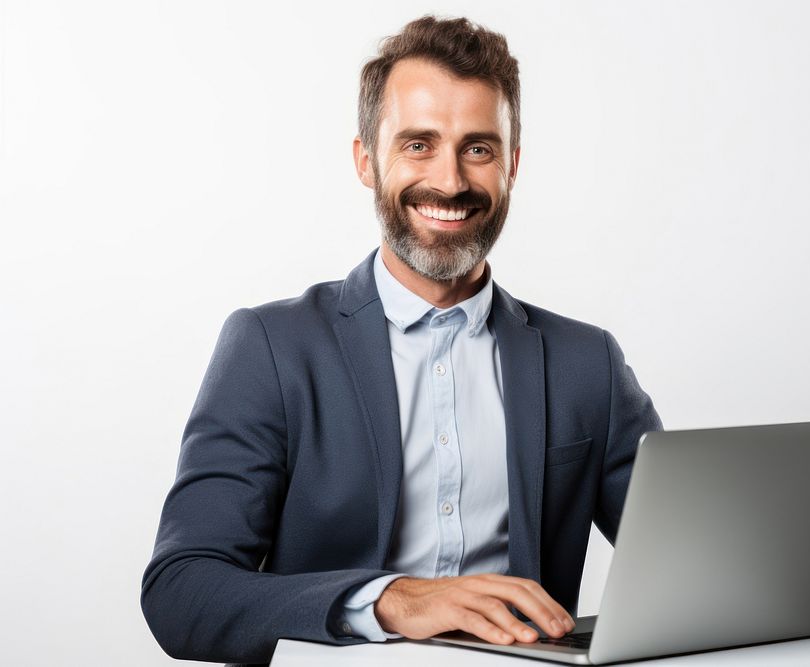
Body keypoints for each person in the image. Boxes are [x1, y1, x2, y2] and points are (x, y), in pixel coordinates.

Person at [141, 15, 661, 665]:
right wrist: (386, 599)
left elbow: (685, 565)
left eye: (478, 148)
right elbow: (182, 593)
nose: (449, 181)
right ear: (366, 159)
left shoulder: (589, 362)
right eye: (419, 144)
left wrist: (773, 610)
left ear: (512, 165)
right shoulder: (272, 347)